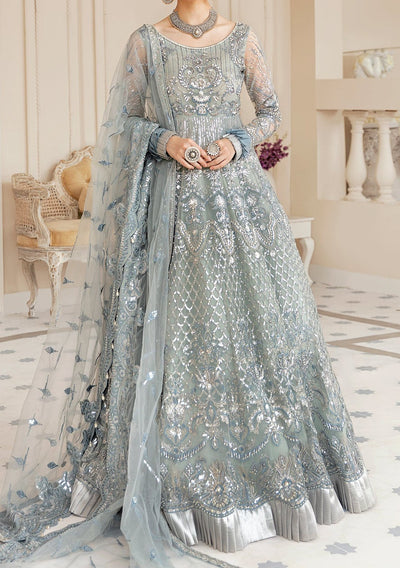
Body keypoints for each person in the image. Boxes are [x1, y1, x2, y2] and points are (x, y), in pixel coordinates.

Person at [0, 1, 375, 566]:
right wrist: (164, 141)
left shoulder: (241, 38)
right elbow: (122, 122)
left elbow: (270, 111)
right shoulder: (145, 41)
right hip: (168, 210)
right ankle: (174, 480)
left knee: (252, 327)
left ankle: (266, 471)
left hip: (238, 203)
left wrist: (237, 143)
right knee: (177, 332)